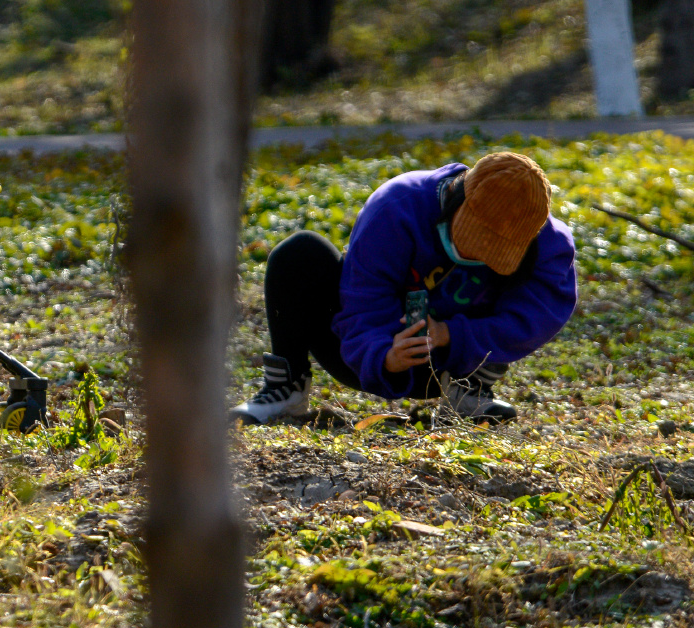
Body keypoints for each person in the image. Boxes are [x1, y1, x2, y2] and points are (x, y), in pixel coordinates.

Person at [231, 151, 577, 425]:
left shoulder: (545, 238)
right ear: (458, 197)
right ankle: (284, 389)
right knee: (300, 253)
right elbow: (364, 299)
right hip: (370, 349)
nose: (478, 253)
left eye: (495, 251)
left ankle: (469, 391)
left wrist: (453, 335)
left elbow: (538, 315)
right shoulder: (399, 206)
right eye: (474, 237)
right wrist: (384, 355)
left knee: (523, 293)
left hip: (457, 361)